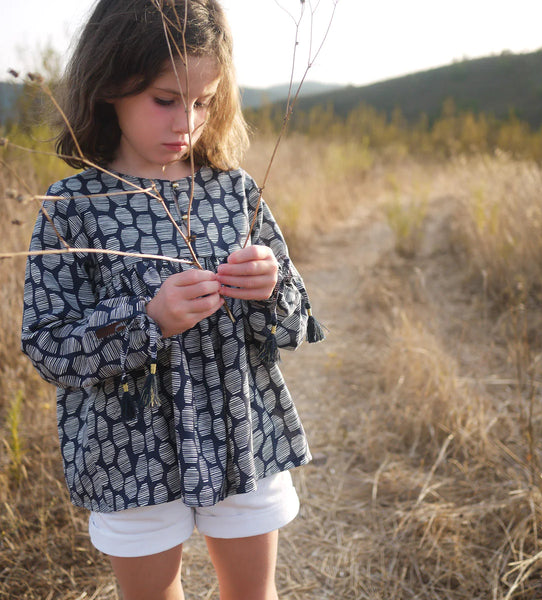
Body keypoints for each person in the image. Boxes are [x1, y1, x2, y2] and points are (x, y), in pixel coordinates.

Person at [20, 1, 323, 599]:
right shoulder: (74, 205)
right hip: (127, 449)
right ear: (112, 84)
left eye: (204, 101)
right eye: (166, 98)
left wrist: (269, 291)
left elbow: (297, 324)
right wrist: (148, 320)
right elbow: (49, 348)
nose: (186, 121)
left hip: (242, 436)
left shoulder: (232, 190)